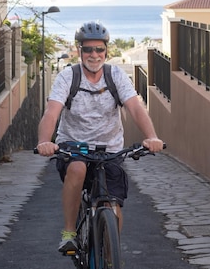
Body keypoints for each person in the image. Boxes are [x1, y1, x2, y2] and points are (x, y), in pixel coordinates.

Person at [35, 20, 164, 254]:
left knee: (112, 205)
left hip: (110, 148)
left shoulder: (115, 76)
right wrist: (45, 141)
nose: (94, 55)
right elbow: (52, 112)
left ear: (106, 51)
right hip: (73, 146)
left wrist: (151, 137)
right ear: (79, 51)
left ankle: (109, 253)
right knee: (77, 169)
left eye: (99, 49)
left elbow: (135, 107)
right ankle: (68, 233)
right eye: (88, 49)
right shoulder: (68, 77)